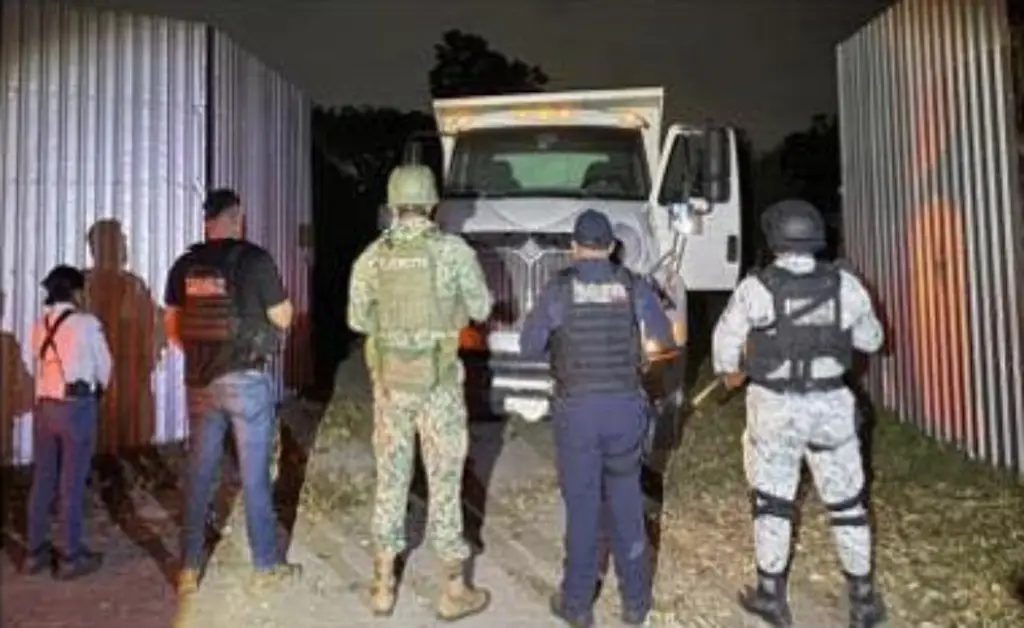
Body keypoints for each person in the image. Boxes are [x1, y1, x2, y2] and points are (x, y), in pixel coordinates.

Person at [712, 199, 886, 628]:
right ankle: (863, 601)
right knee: (848, 505)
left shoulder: (757, 288)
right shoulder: (844, 285)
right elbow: (872, 340)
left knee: (772, 502)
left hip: (774, 408)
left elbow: (725, 345)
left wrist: (731, 373)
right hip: (831, 407)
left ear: (775, 239)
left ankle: (771, 596)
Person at [347, 164, 493, 621]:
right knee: (445, 481)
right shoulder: (453, 252)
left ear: (393, 205)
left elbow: (356, 319)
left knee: (391, 478)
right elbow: (481, 308)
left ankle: (382, 585)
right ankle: (452, 589)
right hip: (439, 385)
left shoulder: (373, 257)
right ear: (432, 204)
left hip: (391, 384)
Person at [519, 209, 674, 627]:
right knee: (626, 502)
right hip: (624, 408)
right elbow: (664, 340)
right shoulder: (633, 285)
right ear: (611, 247)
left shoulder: (559, 290)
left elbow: (529, 346)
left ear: (574, 247)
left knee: (583, 507)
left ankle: (577, 605)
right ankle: (635, 604)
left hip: (578, 412)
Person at [164, 188, 299, 594]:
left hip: (200, 384)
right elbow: (283, 316)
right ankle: (265, 566)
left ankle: (189, 568)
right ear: (237, 218)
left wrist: (200, 357)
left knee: (200, 473)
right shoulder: (255, 259)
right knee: (255, 475)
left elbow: (173, 327)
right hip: (245, 380)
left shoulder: (184, 265)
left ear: (206, 222)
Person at [24, 265, 112, 579]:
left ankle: (34, 553)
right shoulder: (88, 324)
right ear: (75, 292)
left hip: (45, 407)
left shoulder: (39, 325)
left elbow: (35, 364)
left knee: (43, 479)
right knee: (71, 484)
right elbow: (105, 368)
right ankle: (70, 556)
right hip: (76, 408)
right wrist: (99, 391)